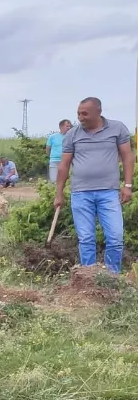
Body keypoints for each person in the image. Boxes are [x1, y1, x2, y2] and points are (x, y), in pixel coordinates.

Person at [55, 97, 133, 274]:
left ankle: (112, 278)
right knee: (86, 238)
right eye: (78, 113)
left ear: (98, 112)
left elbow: (128, 156)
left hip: (109, 193)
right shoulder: (72, 134)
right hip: (80, 194)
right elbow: (64, 165)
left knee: (115, 237)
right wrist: (59, 193)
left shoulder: (117, 128)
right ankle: (88, 278)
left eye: (84, 113)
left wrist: (127, 185)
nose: (80, 117)